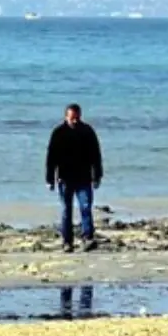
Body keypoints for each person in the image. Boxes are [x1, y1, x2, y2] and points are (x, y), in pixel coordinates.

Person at [45, 103, 103, 253]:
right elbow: (51, 158)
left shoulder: (87, 131)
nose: (75, 121)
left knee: (85, 208)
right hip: (65, 179)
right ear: (66, 117)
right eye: (72, 118)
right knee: (66, 211)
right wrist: (49, 179)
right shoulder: (58, 133)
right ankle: (67, 242)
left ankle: (88, 238)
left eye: (77, 118)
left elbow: (96, 155)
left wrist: (97, 175)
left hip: (84, 178)